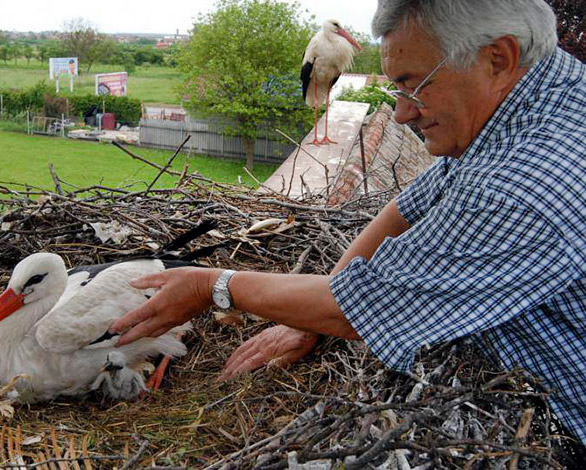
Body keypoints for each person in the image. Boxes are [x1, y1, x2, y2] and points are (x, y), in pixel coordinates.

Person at [110, 0, 586, 449]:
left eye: (413, 84)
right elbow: (409, 206)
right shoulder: (530, 107)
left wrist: (211, 285)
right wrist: (316, 311)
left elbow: (360, 309)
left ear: (498, 57)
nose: (400, 113)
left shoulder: (528, 181)